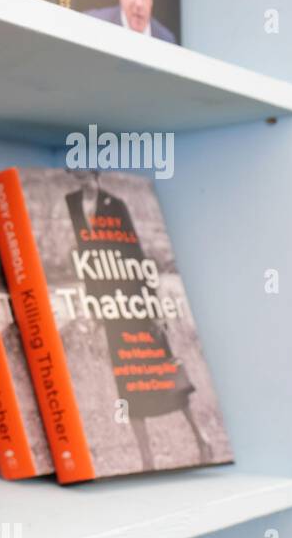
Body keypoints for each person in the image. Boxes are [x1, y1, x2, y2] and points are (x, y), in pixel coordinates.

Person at [63, 168, 214, 468]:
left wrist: (154, 307)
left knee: (164, 372)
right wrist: (95, 306)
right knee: (127, 381)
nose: (79, 176)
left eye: (83, 171)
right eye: (74, 172)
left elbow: (135, 253)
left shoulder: (116, 204)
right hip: (110, 304)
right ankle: (147, 459)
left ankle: (201, 436)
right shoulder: (72, 202)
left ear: (95, 172)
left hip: (135, 299)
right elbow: (86, 256)